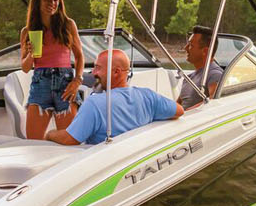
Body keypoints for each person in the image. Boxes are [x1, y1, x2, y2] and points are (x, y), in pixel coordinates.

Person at [48, 49, 183, 146]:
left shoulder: (95, 103)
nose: (93, 72)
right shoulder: (148, 96)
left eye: (97, 68)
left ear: (116, 72)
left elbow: (70, 139)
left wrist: (50, 134)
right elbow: (179, 111)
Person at [19, 0, 84, 140]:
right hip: (40, 83)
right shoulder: (28, 31)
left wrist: (77, 80)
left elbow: (80, 56)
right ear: (38, 2)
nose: (52, 3)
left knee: (69, 141)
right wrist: (32, 54)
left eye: (55, 0)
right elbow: (25, 68)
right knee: (33, 143)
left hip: (65, 84)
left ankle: (51, 139)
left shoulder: (68, 25)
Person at [178, 23, 224, 106]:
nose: (185, 48)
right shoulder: (189, 77)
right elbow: (176, 106)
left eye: (191, 45)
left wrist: (185, 113)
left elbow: (213, 104)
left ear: (205, 51)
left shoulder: (215, 74)